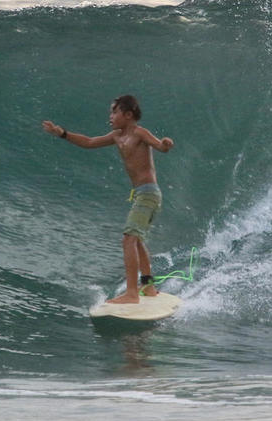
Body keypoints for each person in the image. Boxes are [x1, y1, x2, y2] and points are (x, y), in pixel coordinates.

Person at [43, 95, 174, 304]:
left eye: (114, 112)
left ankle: (132, 293)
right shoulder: (116, 136)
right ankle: (148, 288)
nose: (110, 117)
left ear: (128, 115)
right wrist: (62, 133)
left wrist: (166, 144)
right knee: (136, 240)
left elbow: (160, 147)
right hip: (141, 194)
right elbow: (89, 142)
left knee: (128, 239)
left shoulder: (140, 133)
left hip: (149, 193)